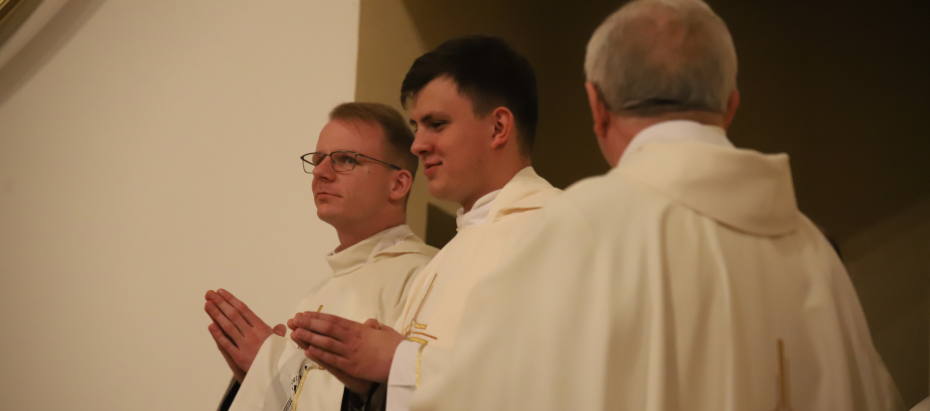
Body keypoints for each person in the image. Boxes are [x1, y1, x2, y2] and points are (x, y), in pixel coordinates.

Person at [406, 1, 906, 410]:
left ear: (598, 107)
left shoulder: (577, 228)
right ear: (730, 106)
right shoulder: (813, 251)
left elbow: (486, 396)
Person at [287, 35, 561, 411]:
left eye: (437, 124)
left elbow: (551, 382)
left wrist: (397, 360)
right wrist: (372, 385)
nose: (417, 145)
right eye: (417, 127)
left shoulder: (554, 231)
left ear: (498, 127)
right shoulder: (449, 256)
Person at [204, 102, 438, 411]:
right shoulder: (313, 298)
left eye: (346, 160)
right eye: (317, 160)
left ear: (398, 184)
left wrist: (273, 365)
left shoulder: (427, 275)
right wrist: (260, 378)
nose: (320, 172)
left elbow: (431, 394)